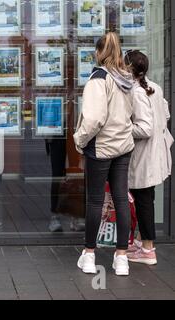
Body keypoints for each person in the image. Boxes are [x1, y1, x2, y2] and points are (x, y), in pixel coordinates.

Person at [73, 32, 135, 276]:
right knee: (121, 200)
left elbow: (94, 119)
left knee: (95, 201)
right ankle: (122, 258)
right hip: (123, 147)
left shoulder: (98, 78)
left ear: (99, 52)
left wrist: (79, 140)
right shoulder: (127, 79)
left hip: (101, 148)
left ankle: (89, 254)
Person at [125, 50, 173, 265]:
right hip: (156, 154)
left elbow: (144, 128)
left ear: (128, 69)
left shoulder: (136, 93)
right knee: (146, 199)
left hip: (144, 155)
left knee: (143, 201)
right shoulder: (155, 87)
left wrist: (124, 127)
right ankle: (141, 242)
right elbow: (166, 115)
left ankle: (147, 250)